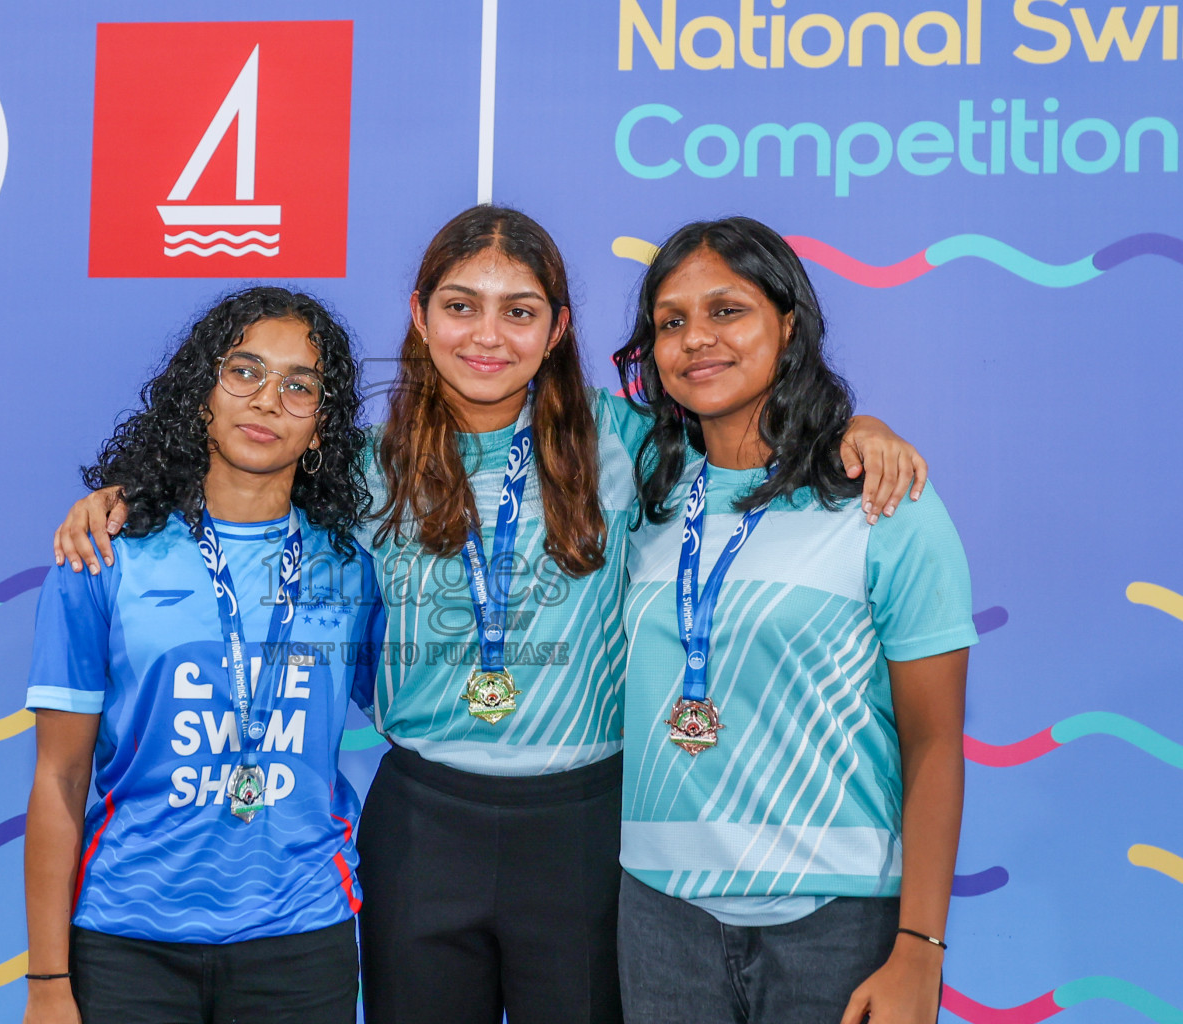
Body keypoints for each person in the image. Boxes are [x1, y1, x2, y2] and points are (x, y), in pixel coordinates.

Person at [53, 206, 929, 1024]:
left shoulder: (627, 442)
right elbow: (244, 510)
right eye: (461, 305)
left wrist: (863, 430)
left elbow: (753, 445)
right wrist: (126, 501)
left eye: (519, 312)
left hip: (584, 824)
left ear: (556, 330)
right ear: (420, 315)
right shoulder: (364, 469)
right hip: (424, 824)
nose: (486, 335)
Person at [610, 217, 976, 1024]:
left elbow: (935, 743)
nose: (696, 339)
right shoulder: (642, 498)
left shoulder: (884, 502)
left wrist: (920, 946)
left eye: (726, 311)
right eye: (671, 322)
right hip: (660, 915)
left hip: (838, 923)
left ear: (790, 323)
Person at [22, 286, 384, 1024]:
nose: (267, 401)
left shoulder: (354, 565)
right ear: (201, 398)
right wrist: (47, 982)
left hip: (301, 938)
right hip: (129, 941)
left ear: (320, 429)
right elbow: (59, 777)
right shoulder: (103, 554)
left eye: (299, 386)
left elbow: (415, 711)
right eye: (243, 372)